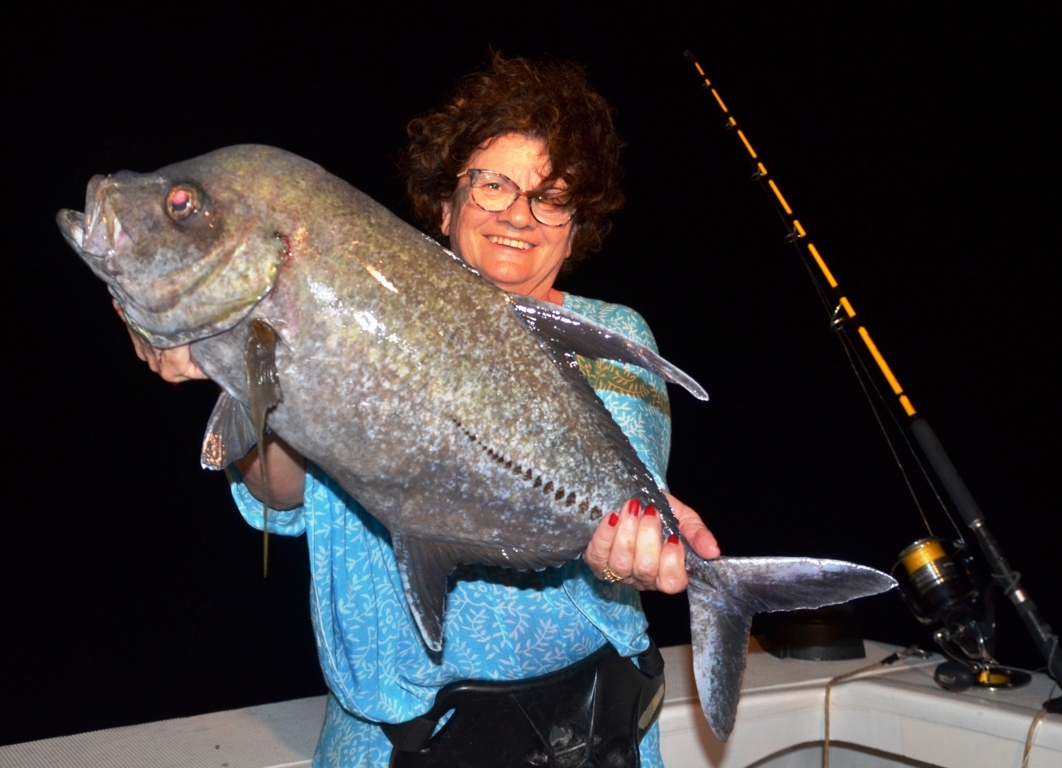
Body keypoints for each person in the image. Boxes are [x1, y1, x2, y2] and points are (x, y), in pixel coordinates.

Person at [123, 55, 718, 767]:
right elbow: (279, 493)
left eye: (550, 196)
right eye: (492, 184)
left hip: (581, 734)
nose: (517, 216)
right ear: (444, 202)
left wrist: (619, 550)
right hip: (385, 744)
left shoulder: (614, 339)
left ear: (574, 224)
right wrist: (235, 369)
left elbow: (621, 508)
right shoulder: (352, 316)